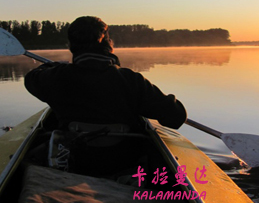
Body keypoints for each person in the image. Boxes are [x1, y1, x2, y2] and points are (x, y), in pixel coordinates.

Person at [24, 16, 187, 131]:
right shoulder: (131, 80)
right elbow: (176, 116)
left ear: (71, 46)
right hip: (120, 159)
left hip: (74, 156)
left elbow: (30, 79)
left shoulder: (56, 77)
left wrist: (53, 66)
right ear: (108, 44)